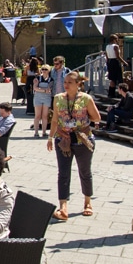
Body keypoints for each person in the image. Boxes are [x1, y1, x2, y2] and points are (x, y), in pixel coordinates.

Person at [47, 71, 101, 220]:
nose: (66, 85)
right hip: (63, 139)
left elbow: (97, 117)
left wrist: (83, 122)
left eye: (70, 82)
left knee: (85, 171)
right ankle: (63, 207)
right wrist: (50, 137)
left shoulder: (86, 99)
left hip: (82, 139)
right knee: (63, 173)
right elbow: (54, 120)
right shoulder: (58, 98)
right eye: (65, 82)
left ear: (78, 84)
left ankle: (87, 202)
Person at [32, 64, 54, 138]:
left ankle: (44, 132)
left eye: (46, 69)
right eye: (43, 69)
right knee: (37, 115)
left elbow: (49, 89)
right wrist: (44, 90)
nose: (44, 71)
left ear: (49, 71)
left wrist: (40, 89)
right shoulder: (38, 78)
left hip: (47, 98)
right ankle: (36, 132)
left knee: (45, 116)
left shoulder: (51, 79)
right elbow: (35, 88)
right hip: (38, 98)